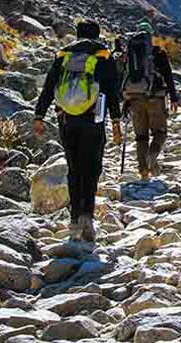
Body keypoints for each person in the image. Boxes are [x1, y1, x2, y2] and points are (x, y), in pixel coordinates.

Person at [34, 19, 121, 242]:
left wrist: (39, 115)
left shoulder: (63, 54)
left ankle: (73, 220)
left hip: (66, 119)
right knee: (92, 167)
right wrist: (116, 121)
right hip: (93, 119)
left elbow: (49, 85)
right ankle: (87, 217)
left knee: (73, 168)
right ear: (97, 34)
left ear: (78, 33)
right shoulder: (103, 55)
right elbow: (112, 90)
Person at [121, 21, 178, 180]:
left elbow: (125, 77)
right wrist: (174, 98)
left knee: (141, 136)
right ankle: (152, 158)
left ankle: (143, 170)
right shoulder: (158, 52)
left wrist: (125, 102)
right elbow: (168, 76)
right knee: (160, 133)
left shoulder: (131, 54)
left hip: (135, 99)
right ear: (150, 36)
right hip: (156, 98)